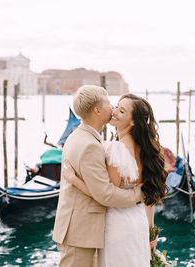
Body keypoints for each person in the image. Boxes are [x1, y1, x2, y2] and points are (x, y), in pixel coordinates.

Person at [63, 93, 168, 267]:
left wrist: (73, 179)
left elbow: (105, 196)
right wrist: (151, 229)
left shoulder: (117, 150)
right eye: (116, 106)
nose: (114, 112)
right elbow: (149, 194)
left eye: (121, 111)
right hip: (138, 222)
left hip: (119, 225)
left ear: (133, 122)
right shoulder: (147, 151)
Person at [52, 86, 144, 267]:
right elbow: (105, 194)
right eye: (109, 103)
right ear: (97, 110)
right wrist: (139, 195)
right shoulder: (89, 145)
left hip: (79, 231)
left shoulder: (79, 136)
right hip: (79, 233)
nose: (113, 108)